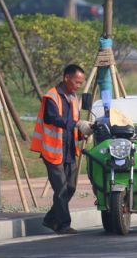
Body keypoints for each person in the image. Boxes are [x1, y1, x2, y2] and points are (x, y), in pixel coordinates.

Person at [30, 64, 93, 235]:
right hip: (52, 151)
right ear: (66, 78)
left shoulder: (73, 98)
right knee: (61, 189)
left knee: (70, 187)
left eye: (81, 83)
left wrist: (82, 133)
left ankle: (50, 219)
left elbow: (73, 123)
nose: (78, 86)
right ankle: (64, 225)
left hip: (69, 150)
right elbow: (53, 119)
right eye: (77, 82)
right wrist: (77, 124)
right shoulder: (51, 96)